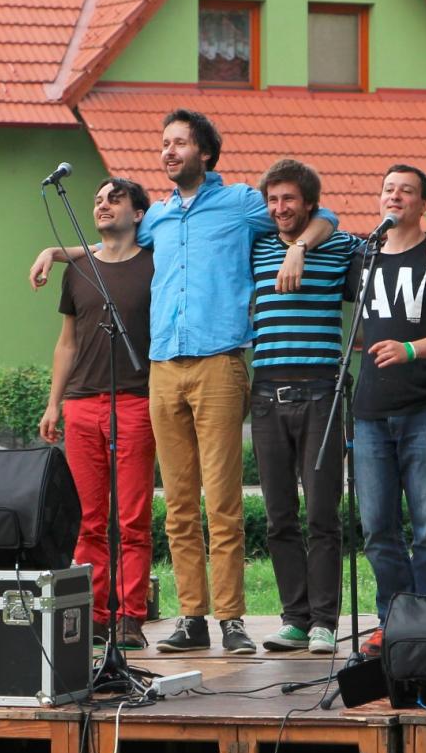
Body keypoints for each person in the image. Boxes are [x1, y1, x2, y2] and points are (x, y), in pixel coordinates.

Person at [30, 109, 337, 654]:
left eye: (179, 143)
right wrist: (58, 252)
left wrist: (298, 247)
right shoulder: (158, 217)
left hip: (219, 362)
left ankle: (231, 620)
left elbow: (324, 216)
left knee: (222, 502)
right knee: (177, 504)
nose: (168, 152)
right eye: (164, 144)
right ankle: (192, 617)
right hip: (163, 369)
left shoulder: (242, 203)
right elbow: (114, 245)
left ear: (205, 153)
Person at [249, 159, 426, 656]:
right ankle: (295, 619)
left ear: (309, 203)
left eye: (290, 199)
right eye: (273, 200)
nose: (280, 208)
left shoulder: (343, 248)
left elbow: (359, 231)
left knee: (324, 514)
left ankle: (327, 621)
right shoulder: (255, 247)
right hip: (266, 393)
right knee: (279, 517)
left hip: (324, 390)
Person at [346, 164, 426, 658]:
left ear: (424, 203)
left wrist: (410, 350)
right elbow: (313, 228)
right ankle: (394, 622)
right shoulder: (362, 256)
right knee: (377, 529)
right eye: (388, 189)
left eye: (406, 191)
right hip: (370, 413)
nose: (394, 196)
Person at [38, 178, 156, 650]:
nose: (103, 205)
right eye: (98, 199)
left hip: (136, 401)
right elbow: (66, 342)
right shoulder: (79, 270)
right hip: (82, 405)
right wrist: (54, 403)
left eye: (115, 199)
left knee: (133, 520)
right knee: (87, 520)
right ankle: (96, 614)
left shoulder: (155, 264)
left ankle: (130, 616)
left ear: (139, 214)